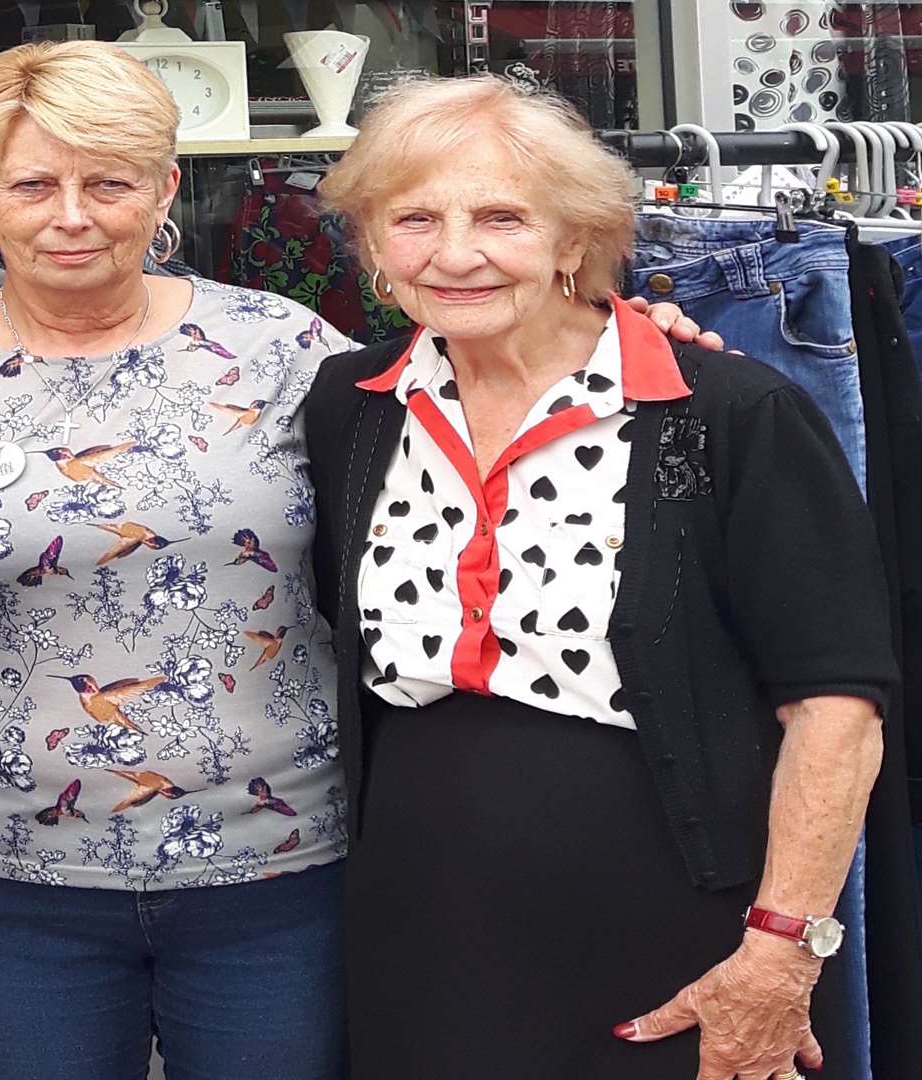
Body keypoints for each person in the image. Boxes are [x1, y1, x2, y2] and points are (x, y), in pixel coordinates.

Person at [0, 42, 718, 1080]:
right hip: (11, 887)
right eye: (33, 185)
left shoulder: (288, 352)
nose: (72, 216)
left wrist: (625, 334)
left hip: (283, 879)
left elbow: (497, 384)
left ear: (163, 190)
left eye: (109, 183)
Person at [302, 75, 893, 1080]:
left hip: (676, 918)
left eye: (500, 217)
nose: (454, 254)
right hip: (420, 917)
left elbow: (837, 707)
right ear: (370, 250)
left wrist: (781, 947)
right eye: (413, 220)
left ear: (575, 240)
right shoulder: (350, 408)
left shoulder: (727, 415)